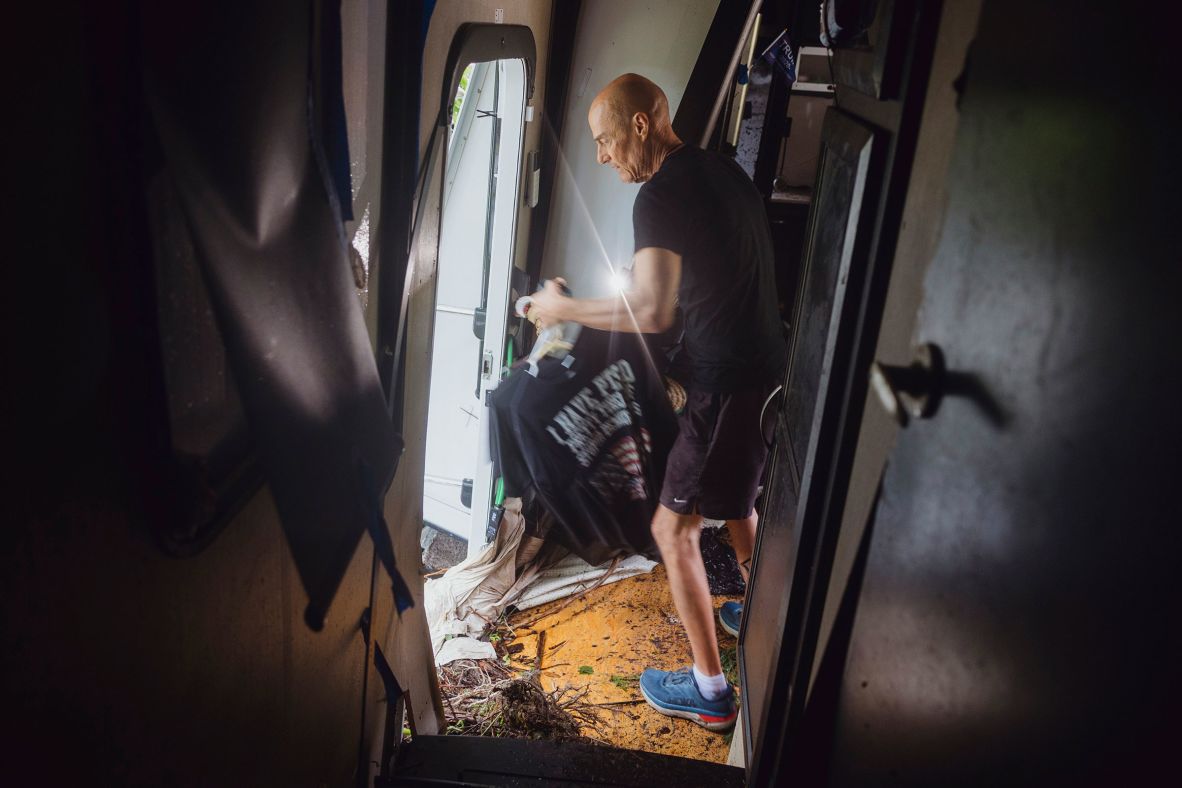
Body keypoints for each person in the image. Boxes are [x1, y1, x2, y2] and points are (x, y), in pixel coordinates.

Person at [528, 73, 785, 731]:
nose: (602, 155)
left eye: (604, 140)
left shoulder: (660, 194)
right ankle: (762, 615)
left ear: (640, 125)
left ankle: (710, 692)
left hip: (724, 386)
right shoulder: (722, 172)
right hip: (765, 375)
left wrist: (561, 309)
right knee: (738, 501)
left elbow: (650, 309)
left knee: (674, 529)